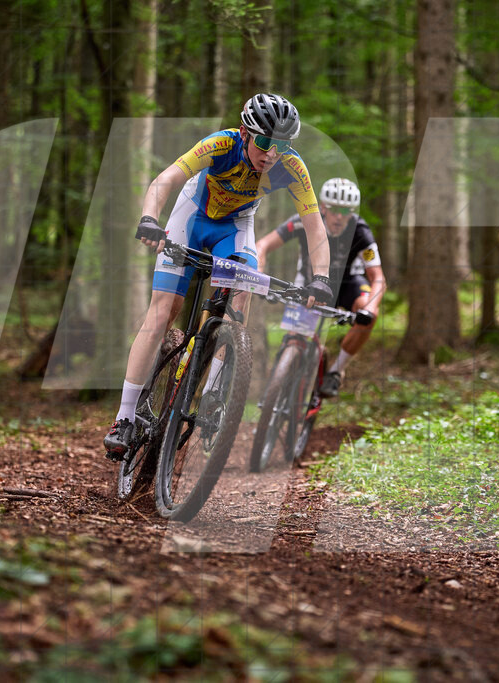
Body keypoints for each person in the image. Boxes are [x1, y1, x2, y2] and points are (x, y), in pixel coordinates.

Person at [104, 93, 333, 459]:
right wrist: (149, 218)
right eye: (264, 142)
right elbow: (167, 178)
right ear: (244, 133)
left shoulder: (292, 166)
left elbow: (314, 225)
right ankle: (125, 417)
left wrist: (321, 277)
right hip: (192, 217)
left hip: (235, 226)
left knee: (243, 290)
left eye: (282, 145)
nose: (272, 153)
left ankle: (212, 394)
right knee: (163, 312)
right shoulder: (221, 144)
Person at [255, 177, 385, 398]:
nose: (339, 216)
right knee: (294, 337)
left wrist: (371, 308)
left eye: (345, 211)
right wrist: (258, 273)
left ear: (352, 212)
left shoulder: (360, 231)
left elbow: (378, 277)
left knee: (368, 310)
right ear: (323, 207)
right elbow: (263, 245)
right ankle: (282, 382)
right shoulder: (304, 221)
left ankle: (336, 371)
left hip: (347, 286)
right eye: (334, 209)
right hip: (310, 284)